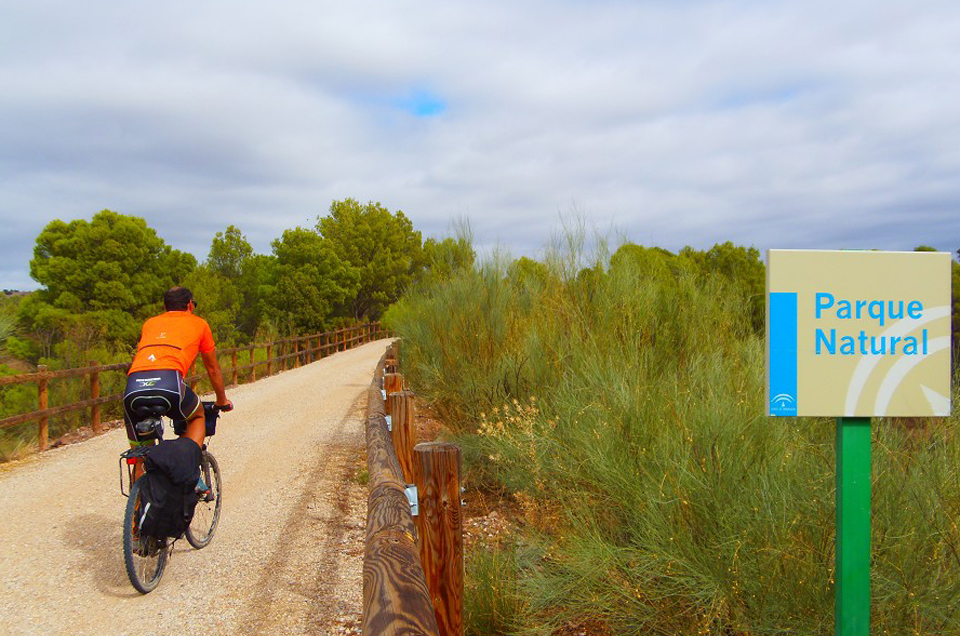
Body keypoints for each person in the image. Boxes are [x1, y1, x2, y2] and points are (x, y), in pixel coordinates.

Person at [123, 287, 233, 462]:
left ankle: (139, 486)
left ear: (165, 306)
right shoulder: (199, 323)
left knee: (141, 457)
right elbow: (213, 369)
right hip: (169, 383)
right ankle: (187, 467)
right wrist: (222, 400)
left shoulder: (150, 323)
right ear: (190, 305)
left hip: (133, 387)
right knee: (197, 416)